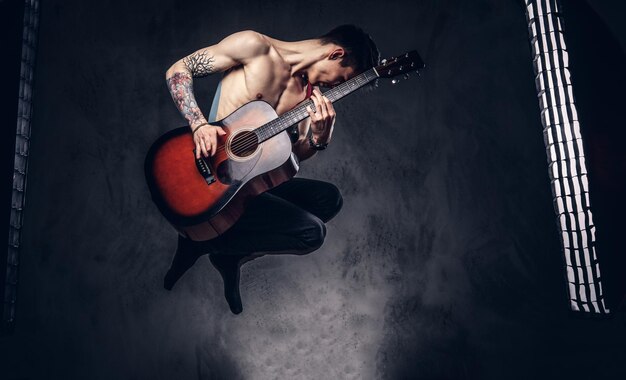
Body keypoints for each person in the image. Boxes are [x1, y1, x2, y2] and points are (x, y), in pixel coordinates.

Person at [163, 25, 380, 314]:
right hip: (212, 181)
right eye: (341, 79)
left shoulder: (307, 97)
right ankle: (206, 245)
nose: (335, 88)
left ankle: (229, 253)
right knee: (312, 233)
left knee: (330, 198)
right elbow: (178, 69)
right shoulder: (255, 47)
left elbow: (291, 160)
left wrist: (318, 139)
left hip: (248, 185)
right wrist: (199, 124)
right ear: (336, 54)